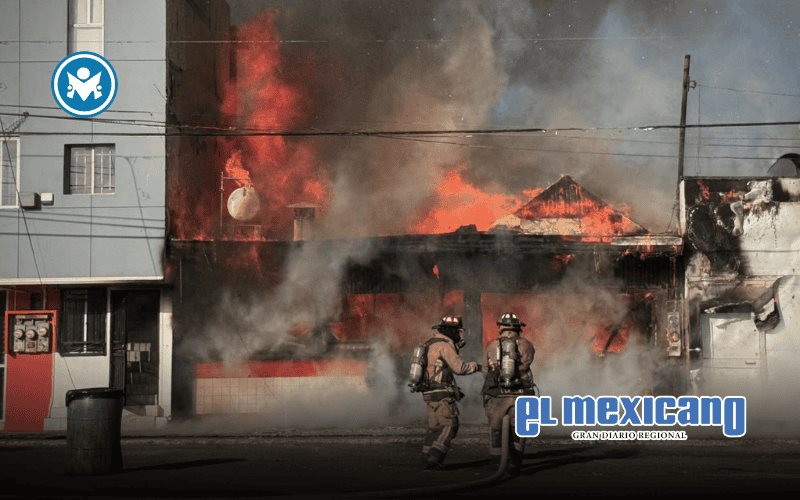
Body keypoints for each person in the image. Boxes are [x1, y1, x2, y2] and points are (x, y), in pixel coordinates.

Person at [417, 315, 480, 470]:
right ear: (451, 331)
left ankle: (426, 456)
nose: (460, 335)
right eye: (458, 331)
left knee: (435, 428)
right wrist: (477, 366)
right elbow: (460, 368)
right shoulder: (444, 345)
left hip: (429, 393)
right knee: (450, 425)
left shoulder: (429, 343)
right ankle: (435, 457)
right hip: (441, 393)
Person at [481, 312, 536, 473]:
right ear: (518, 328)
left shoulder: (491, 346)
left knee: (495, 427)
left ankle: (496, 461)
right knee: (519, 428)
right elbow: (527, 363)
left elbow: (485, 371)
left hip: (496, 395)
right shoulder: (527, 344)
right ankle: (515, 462)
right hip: (521, 393)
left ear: (501, 328)